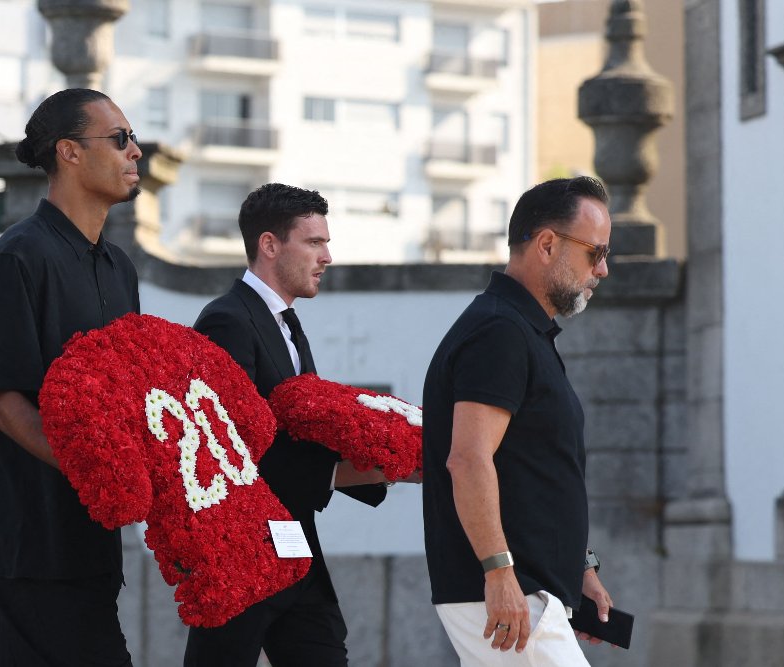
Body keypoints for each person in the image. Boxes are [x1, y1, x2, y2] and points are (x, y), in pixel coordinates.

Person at [0, 88, 142, 667]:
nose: (135, 152)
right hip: (31, 536)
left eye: (133, 139)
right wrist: (97, 471)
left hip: (92, 537)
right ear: (70, 153)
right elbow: (4, 401)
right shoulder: (19, 257)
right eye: (119, 138)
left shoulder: (119, 267)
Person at [185, 183, 412, 667]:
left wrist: (388, 456)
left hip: (296, 545)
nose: (327, 256)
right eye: (314, 242)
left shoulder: (287, 322)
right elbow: (232, 452)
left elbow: (305, 430)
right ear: (269, 245)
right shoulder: (226, 321)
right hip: (241, 555)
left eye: (325, 242)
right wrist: (350, 472)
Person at [422, 176, 615, 666]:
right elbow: (468, 459)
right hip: (511, 594)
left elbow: (536, 469)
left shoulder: (522, 330)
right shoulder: (499, 331)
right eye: (595, 253)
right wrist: (498, 571)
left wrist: (580, 567)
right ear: (547, 244)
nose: (604, 269)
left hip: (527, 591)